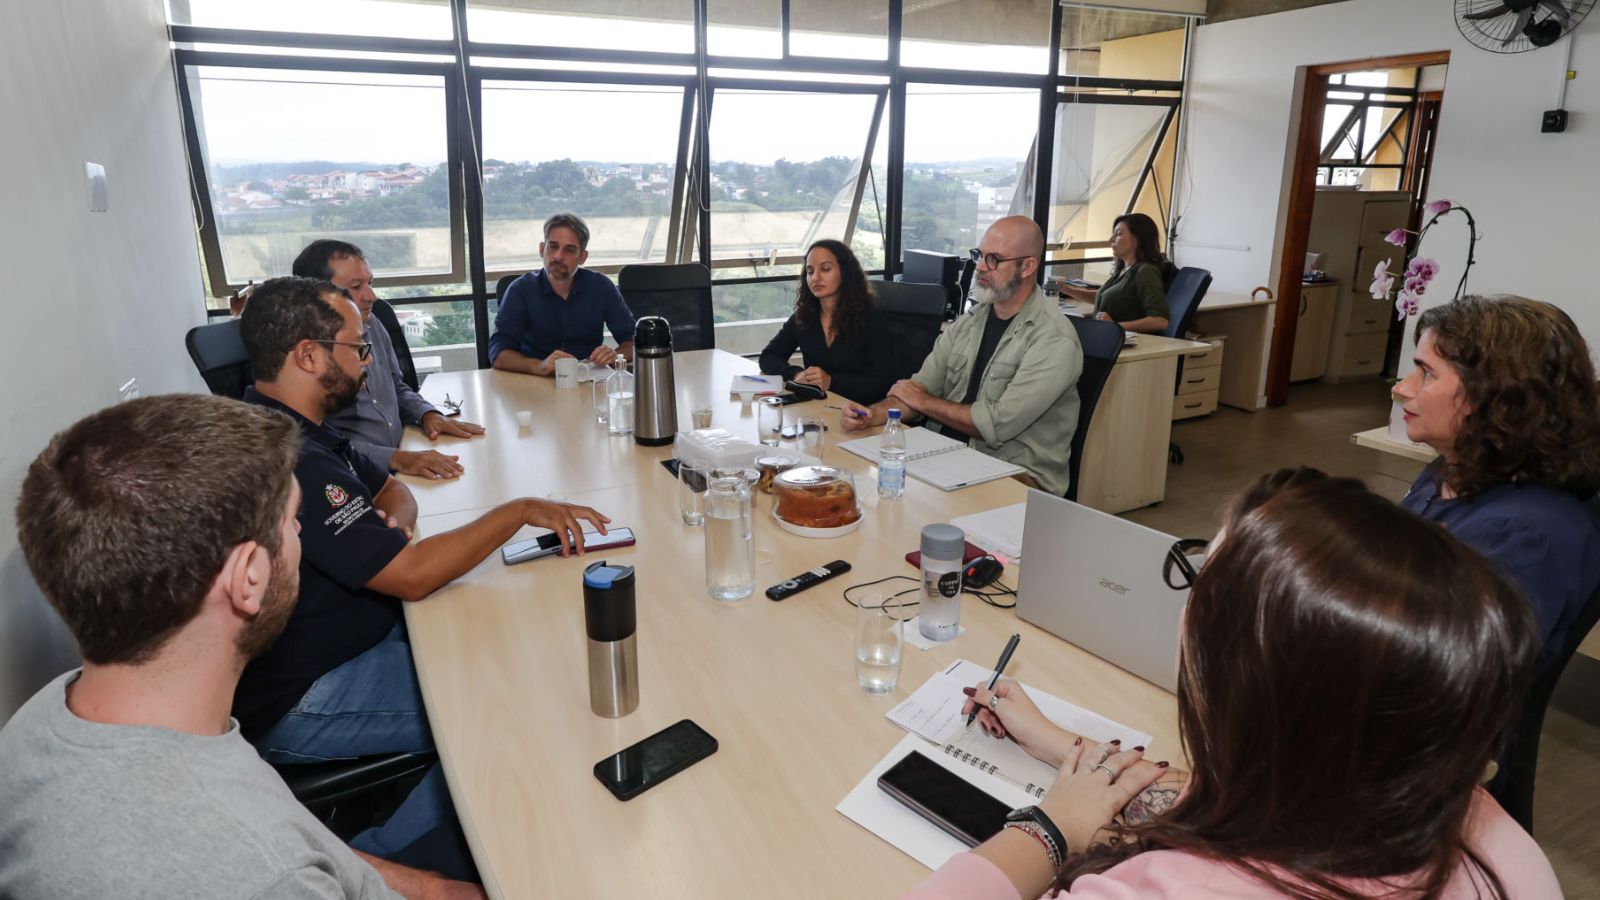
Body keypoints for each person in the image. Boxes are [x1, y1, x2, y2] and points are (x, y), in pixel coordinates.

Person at [906, 469, 1558, 899]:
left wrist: (1050, 827)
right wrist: (1061, 747)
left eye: (1200, 586)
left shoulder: (1165, 890)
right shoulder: (1499, 846)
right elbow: (1274, 797)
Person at [1, 394, 483, 898]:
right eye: (292, 520)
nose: (300, 531)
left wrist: (432, 890)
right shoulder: (267, 874)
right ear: (249, 577)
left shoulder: (46, 718)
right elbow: (270, 858)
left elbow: (292, 840)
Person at [237, 275, 612, 879]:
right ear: (308, 355)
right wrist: (516, 511)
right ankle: (379, 871)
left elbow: (393, 488)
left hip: (357, 635)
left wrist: (389, 531)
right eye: (356, 348)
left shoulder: (294, 426)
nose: (366, 362)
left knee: (511, 643)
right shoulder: (291, 459)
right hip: (304, 694)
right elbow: (410, 576)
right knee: (513, 707)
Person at [1392, 294, 1600, 679]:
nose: (1403, 388)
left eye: (1428, 373)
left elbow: (1448, 676)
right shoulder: (1453, 469)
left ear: (1494, 393)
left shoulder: (1526, 536)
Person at [840, 216, 1083, 496]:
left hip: (1016, 476)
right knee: (862, 489)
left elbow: (995, 424)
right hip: (950, 455)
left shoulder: (1053, 338)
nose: (980, 266)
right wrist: (874, 415)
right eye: (979, 255)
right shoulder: (971, 320)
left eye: (994, 260)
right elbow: (919, 387)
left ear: (1027, 266)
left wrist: (923, 401)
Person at [293, 239, 485, 481]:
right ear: (317, 296)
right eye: (355, 287)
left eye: (370, 283)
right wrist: (394, 458)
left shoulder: (373, 324)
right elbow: (315, 442)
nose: (371, 296)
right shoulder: (305, 358)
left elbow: (396, 387)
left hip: (406, 456)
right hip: (353, 477)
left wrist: (427, 414)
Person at [489, 212, 636, 376]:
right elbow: (498, 353)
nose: (558, 256)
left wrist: (615, 356)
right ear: (541, 249)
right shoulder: (520, 290)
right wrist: (539, 366)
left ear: (582, 257)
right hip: (535, 381)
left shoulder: (601, 287)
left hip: (586, 380)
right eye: (553, 247)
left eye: (569, 250)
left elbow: (633, 341)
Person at [758, 238, 895, 405]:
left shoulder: (871, 319)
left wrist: (831, 382)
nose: (815, 277)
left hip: (859, 413)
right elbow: (769, 356)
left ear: (845, 272)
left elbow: (884, 384)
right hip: (817, 408)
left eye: (825, 269)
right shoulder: (804, 317)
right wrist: (796, 374)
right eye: (810, 271)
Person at [1089, 213, 1170, 335]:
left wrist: (1115, 326)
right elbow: (1104, 296)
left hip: (1123, 344)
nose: (1111, 239)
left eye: (1118, 234)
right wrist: (1068, 289)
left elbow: (1160, 321)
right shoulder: (1124, 270)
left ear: (1137, 239)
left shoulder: (1146, 272)